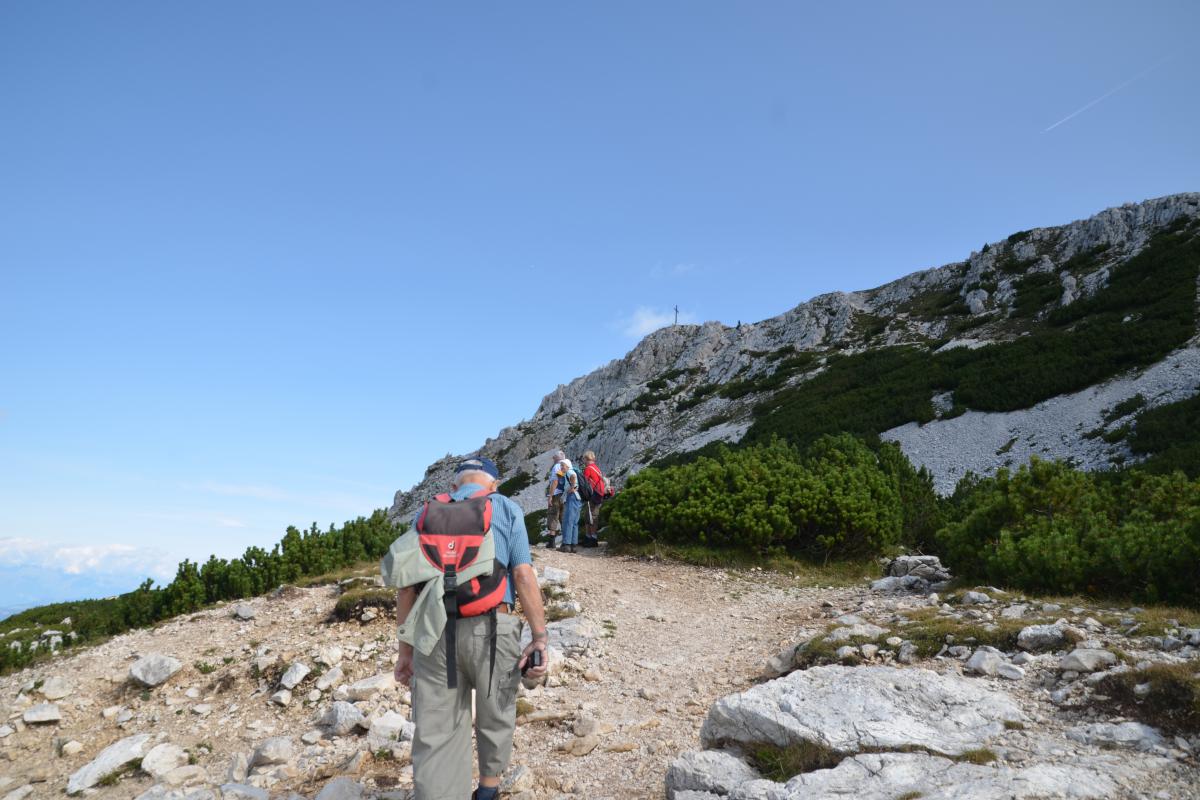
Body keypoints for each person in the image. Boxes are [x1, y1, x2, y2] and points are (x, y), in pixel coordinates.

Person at [389, 457, 548, 800]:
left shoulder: (428, 513)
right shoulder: (505, 507)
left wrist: (405, 651)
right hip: (493, 629)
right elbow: (522, 574)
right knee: (496, 712)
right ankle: (488, 791)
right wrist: (539, 637)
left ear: (454, 487)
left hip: (434, 634)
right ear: (494, 484)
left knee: (436, 732)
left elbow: (406, 588)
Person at [581, 451, 608, 546]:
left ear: (587, 459)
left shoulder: (588, 469)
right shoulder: (596, 468)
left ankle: (591, 539)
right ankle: (592, 537)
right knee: (594, 516)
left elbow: (585, 484)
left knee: (590, 517)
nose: (583, 460)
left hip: (592, 496)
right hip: (599, 495)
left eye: (584, 459)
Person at [545, 450, 571, 547]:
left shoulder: (557, 466)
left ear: (558, 458)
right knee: (563, 517)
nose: (553, 458)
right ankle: (566, 541)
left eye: (554, 457)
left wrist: (550, 496)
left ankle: (552, 542)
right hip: (566, 495)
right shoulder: (569, 466)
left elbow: (555, 482)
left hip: (557, 495)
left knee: (553, 515)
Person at [558, 459, 583, 554]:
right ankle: (574, 545)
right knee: (574, 522)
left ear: (568, 466)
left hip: (572, 497)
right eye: (561, 466)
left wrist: (572, 487)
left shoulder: (569, 471)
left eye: (563, 465)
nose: (561, 467)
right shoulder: (568, 471)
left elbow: (573, 476)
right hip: (577, 498)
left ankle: (567, 545)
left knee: (568, 520)